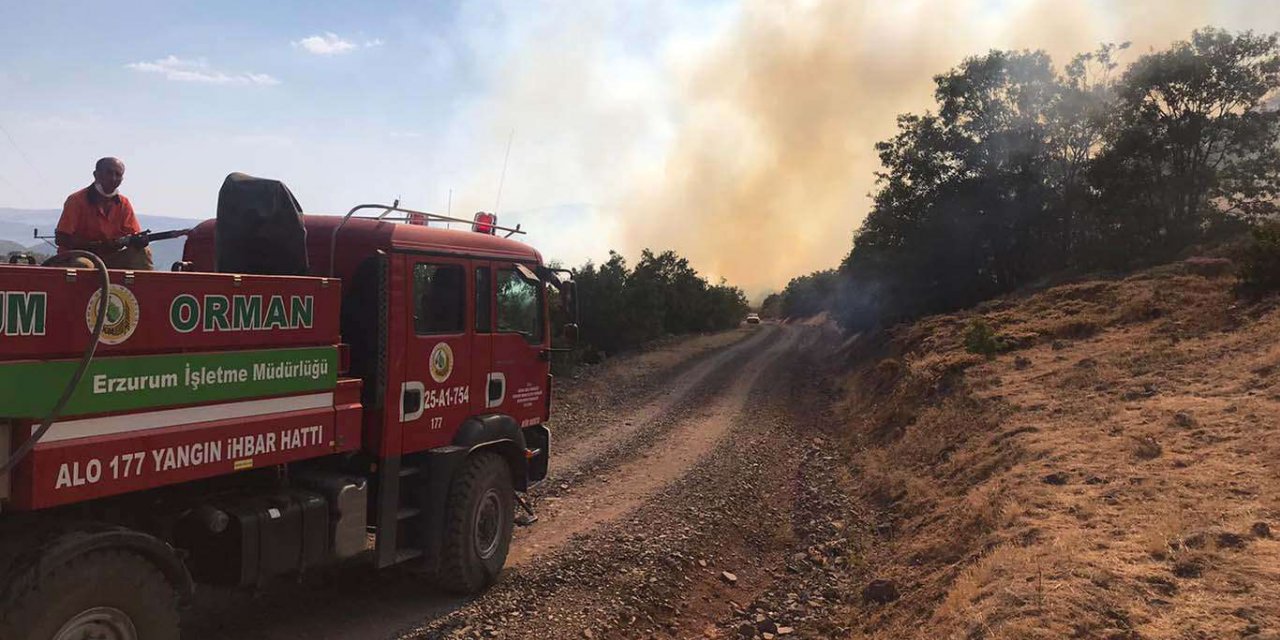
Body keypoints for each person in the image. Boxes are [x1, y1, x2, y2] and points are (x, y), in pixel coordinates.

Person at [52, 157, 152, 269]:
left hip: (110, 258)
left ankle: (146, 281)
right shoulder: (76, 200)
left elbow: (133, 233)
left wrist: (137, 240)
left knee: (143, 252)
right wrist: (98, 245)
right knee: (84, 265)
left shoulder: (123, 203)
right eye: (109, 173)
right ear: (96, 175)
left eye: (118, 174)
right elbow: (61, 238)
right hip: (78, 256)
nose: (113, 178)